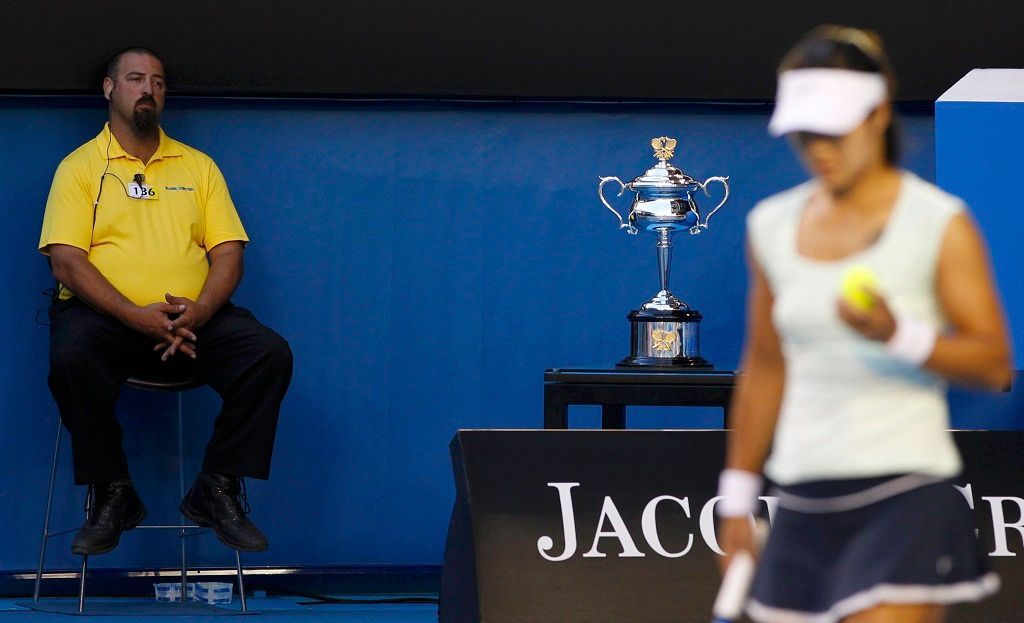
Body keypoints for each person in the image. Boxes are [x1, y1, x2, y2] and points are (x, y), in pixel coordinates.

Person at [716, 26, 1012, 623]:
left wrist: (896, 334)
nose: (818, 148)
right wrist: (737, 499)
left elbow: (993, 366)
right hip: (801, 502)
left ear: (878, 114)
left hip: (906, 499)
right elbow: (766, 366)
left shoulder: (940, 223)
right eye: (805, 134)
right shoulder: (770, 225)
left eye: (833, 130)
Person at [39, 47, 293, 556]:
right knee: (70, 356)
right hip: (106, 320)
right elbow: (66, 261)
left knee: (267, 353)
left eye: (157, 81)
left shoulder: (198, 167)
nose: (148, 89)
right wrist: (134, 315)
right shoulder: (80, 167)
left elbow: (228, 255)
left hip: (192, 318)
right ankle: (112, 492)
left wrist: (198, 310)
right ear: (110, 90)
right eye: (135, 79)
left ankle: (216, 487)